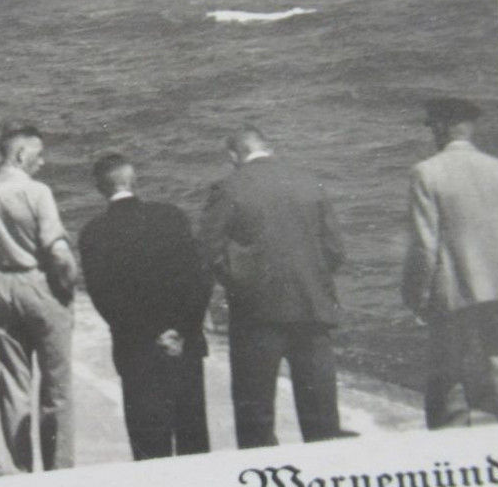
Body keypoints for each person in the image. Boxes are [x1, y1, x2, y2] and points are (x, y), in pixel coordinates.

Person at [401, 97, 498, 429]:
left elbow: (425, 245)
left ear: (440, 128)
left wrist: (415, 296)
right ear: (469, 129)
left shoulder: (426, 172)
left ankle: (455, 455)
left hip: (460, 293)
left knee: (450, 381)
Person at [198, 124, 347, 447]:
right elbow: (335, 250)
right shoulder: (310, 182)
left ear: (234, 155)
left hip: (256, 314)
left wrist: (236, 281)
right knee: (322, 418)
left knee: (256, 418)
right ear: (268, 147)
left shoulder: (228, 188)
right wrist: (311, 278)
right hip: (312, 308)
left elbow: (208, 251)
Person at [0, 123, 81, 473]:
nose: (42, 163)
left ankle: (14, 470)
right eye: (38, 155)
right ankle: (59, 469)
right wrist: (68, 282)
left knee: (13, 381)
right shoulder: (37, 192)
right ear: (20, 154)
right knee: (56, 386)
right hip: (38, 282)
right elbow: (58, 251)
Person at [80, 153, 213, 461]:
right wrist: (181, 330)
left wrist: (153, 334)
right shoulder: (172, 216)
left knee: (149, 444)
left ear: (100, 188)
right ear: (134, 180)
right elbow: (200, 278)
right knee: (194, 438)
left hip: (137, 348)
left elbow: (104, 298)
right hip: (185, 343)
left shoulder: (94, 233)